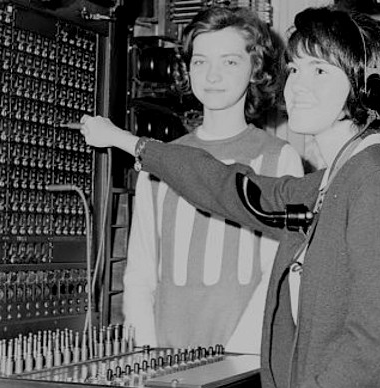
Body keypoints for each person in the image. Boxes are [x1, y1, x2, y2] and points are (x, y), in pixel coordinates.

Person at [81, 5, 380, 388]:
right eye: (295, 69)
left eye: (319, 71)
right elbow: (231, 188)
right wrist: (130, 143)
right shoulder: (334, 181)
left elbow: (378, 349)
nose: (298, 86)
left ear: (367, 87)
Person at [123, 6, 303, 354]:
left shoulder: (279, 159)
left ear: (255, 69)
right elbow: (140, 273)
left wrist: (238, 359)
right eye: (200, 61)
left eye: (230, 62)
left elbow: (278, 275)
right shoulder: (159, 159)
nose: (212, 75)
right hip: (166, 360)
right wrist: (146, 354)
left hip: (245, 359)